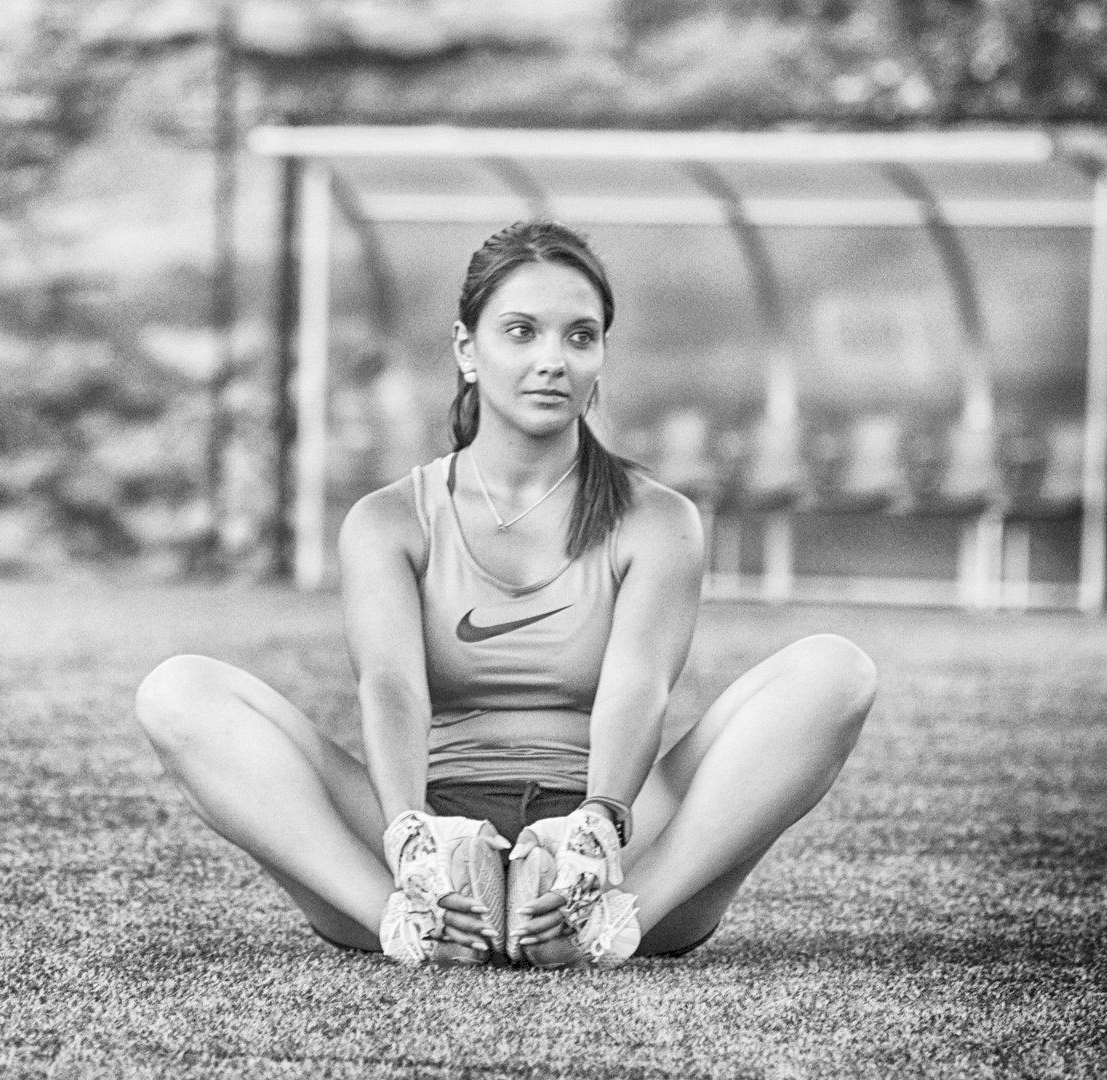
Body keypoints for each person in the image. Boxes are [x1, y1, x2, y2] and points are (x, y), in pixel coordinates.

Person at [135, 220, 877, 968]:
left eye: (578, 337)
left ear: (599, 358)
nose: (550, 361)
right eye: (520, 332)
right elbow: (390, 687)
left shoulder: (657, 519)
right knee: (178, 691)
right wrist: (409, 836)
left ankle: (606, 926)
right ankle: (407, 924)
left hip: (608, 835)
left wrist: (599, 829)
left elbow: (636, 689)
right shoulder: (389, 519)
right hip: (432, 832)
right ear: (467, 348)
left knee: (833, 671)